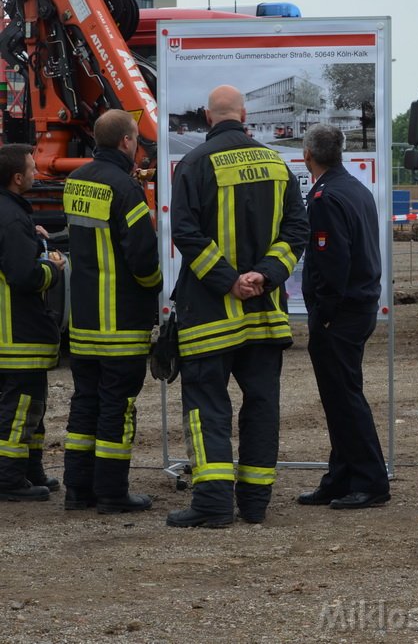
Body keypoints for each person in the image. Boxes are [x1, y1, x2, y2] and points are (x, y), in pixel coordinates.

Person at [168, 85, 308, 527]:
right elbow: (297, 230)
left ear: (209, 118)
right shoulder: (275, 162)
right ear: (244, 115)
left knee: (207, 404)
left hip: (210, 315)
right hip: (265, 315)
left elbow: (186, 234)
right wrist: (263, 276)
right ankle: (254, 503)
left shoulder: (193, 163)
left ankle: (211, 504)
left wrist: (229, 282)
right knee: (262, 404)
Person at [62, 109, 162, 513]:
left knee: (85, 402)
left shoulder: (76, 180)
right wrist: (157, 289)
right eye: (136, 139)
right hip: (119, 322)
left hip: (84, 322)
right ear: (126, 142)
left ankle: (77, 491)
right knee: (117, 407)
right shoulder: (124, 187)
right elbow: (141, 257)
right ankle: (112, 493)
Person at [296, 124, 390, 509]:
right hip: (358, 306)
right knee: (339, 397)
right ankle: (340, 477)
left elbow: (333, 261)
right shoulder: (354, 188)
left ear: (307, 156)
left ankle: (371, 480)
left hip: (342, 312)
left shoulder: (325, 197)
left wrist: (327, 312)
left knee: (345, 398)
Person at [0, 143, 64, 502]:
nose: (38, 174)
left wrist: (33, 240)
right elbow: (24, 276)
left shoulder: (11, 214)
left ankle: (30, 470)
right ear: (17, 178)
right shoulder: (10, 218)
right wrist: (51, 269)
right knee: (21, 408)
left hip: (12, 331)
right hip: (17, 333)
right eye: (32, 169)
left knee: (32, 408)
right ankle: (9, 479)